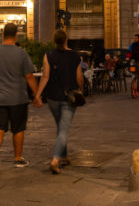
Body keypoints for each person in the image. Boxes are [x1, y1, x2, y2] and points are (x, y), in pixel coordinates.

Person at [0, 22, 40, 174]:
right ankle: (17, 158)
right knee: (18, 128)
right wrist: (37, 95)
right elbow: (29, 76)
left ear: (2, 35)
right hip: (18, 98)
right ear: (16, 35)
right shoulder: (21, 53)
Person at [33, 29, 84, 174]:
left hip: (52, 97)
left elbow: (45, 76)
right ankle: (55, 159)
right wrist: (81, 90)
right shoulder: (75, 56)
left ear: (54, 40)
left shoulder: (48, 55)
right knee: (64, 128)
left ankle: (64, 156)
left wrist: (38, 94)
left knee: (61, 127)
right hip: (69, 97)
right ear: (66, 40)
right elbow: (79, 77)